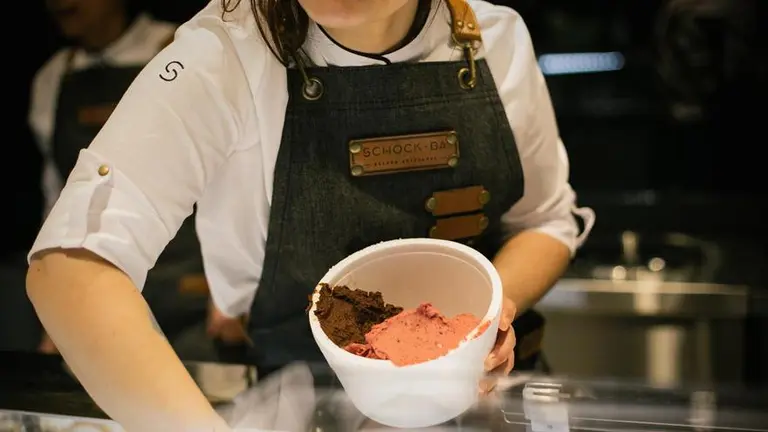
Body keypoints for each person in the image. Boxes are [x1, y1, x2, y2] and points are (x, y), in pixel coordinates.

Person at [26, 0, 595, 428]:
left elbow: (545, 222)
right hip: (302, 409)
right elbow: (71, 265)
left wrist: (481, 323)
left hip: (485, 407)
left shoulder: (495, 37)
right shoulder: (226, 53)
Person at [28, 0, 218, 355]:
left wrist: (233, 293)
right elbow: (57, 202)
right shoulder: (54, 78)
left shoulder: (183, 48)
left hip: (193, 297)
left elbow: (232, 180)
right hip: (98, 305)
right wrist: (53, 310)